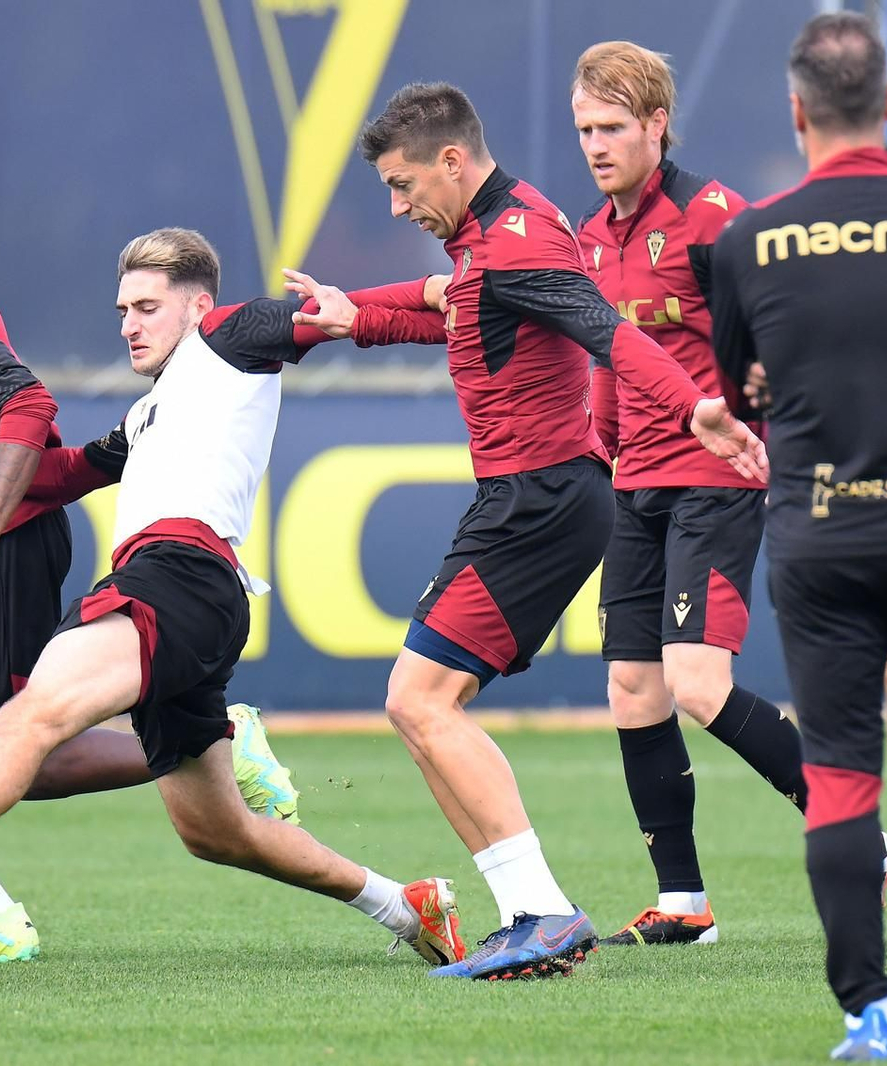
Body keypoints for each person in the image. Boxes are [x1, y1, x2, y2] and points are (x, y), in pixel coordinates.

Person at [0, 227, 471, 970]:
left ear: (197, 304)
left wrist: (438, 294)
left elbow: (341, 313)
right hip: (192, 596)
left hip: (177, 576)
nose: (128, 325)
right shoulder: (150, 412)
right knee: (217, 833)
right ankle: (405, 905)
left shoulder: (223, 336)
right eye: (121, 309)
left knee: (32, 709)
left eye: (146, 306)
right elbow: (63, 473)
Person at [288, 81, 766, 979]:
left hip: (540, 502)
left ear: (454, 162)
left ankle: (543, 910)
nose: (397, 205)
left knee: (421, 700)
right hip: (528, 500)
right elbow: (451, 303)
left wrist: (695, 406)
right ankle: (528, 912)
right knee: (419, 704)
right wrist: (352, 317)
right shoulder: (487, 240)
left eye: (403, 185)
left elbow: (607, 336)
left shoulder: (517, 242)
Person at [569, 41, 807, 948]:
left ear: (657, 125)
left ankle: (842, 820)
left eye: (614, 127)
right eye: (586, 128)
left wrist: (775, 435)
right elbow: (606, 356)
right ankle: (683, 905)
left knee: (698, 684)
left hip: (715, 478)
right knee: (633, 687)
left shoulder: (718, 222)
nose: (596, 145)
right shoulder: (589, 237)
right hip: (635, 485)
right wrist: (606, 442)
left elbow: (778, 339)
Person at [709, 13, 887, 1056]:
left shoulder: (748, 240)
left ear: (795, 115)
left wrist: (733, 419)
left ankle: (867, 1014)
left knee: (838, 774)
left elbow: (742, 390)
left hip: (822, 536)